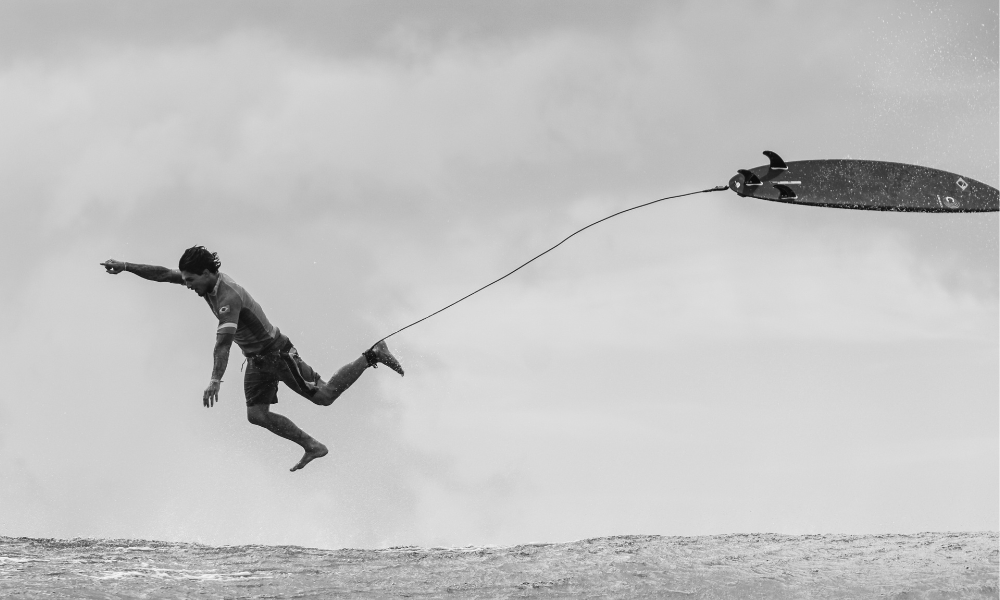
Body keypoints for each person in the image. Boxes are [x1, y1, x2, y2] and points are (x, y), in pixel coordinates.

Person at [100, 245, 404, 472]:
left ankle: (372, 354)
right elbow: (165, 274)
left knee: (324, 397)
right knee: (256, 414)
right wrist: (125, 266)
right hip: (257, 360)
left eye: (191, 279)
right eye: (187, 279)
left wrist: (215, 380)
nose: (187, 284)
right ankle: (312, 445)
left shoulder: (227, 298)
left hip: (278, 354)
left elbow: (223, 344)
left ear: (207, 274)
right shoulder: (206, 284)